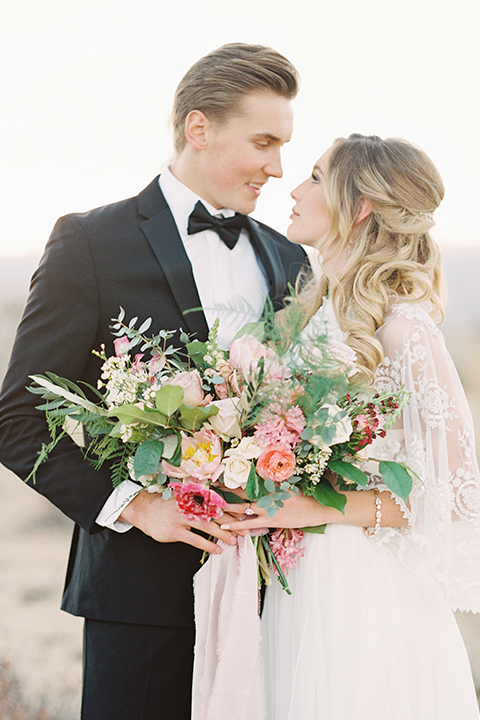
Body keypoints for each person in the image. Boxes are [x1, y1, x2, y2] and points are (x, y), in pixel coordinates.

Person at [0, 43, 308, 720]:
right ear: (199, 129)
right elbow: (18, 419)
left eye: (284, 146)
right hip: (140, 602)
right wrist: (136, 508)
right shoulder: (90, 242)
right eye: (263, 141)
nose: (277, 167)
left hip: (279, 598)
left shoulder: (290, 259)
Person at [223, 134, 480, 719]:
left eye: (314, 176)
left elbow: (454, 492)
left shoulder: (402, 327)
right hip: (300, 574)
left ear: (359, 205)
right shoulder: (311, 314)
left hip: (365, 585)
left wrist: (317, 508)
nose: (292, 188)